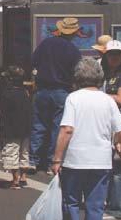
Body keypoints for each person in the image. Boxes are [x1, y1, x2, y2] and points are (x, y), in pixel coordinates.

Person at [51, 58, 121, 220]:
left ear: (78, 77)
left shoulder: (73, 98)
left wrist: (57, 158)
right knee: (96, 206)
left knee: (71, 202)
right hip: (101, 160)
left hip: (75, 159)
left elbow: (67, 129)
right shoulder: (108, 100)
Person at [29, 17, 82, 174]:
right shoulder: (73, 50)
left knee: (39, 125)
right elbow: (76, 73)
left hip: (42, 89)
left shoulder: (46, 43)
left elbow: (33, 61)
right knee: (57, 127)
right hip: (62, 91)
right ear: (74, 32)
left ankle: (32, 160)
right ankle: (52, 161)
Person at [100, 40, 121, 219]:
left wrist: (99, 96)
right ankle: (107, 201)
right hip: (102, 123)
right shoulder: (102, 74)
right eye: (111, 54)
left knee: (118, 166)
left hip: (118, 124)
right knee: (105, 165)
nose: (114, 58)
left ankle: (117, 208)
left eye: (118, 54)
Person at [0, 65, 31, 189]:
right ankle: (24, 177)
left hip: (12, 129)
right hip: (25, 127)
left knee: (12, 153)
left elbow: (2, 111)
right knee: (24, 153)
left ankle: (15, 179)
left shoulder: (7, 94)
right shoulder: (25, 92)